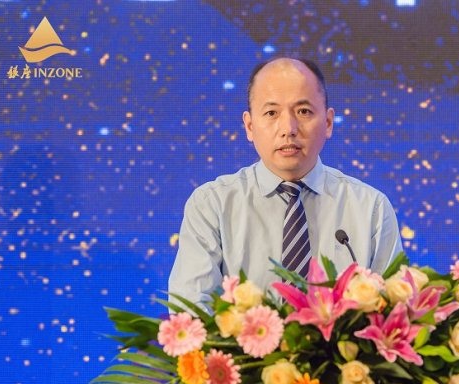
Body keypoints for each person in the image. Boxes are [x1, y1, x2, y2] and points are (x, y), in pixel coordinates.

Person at [168, 57, 402, 308]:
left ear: (328, 122)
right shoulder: (212, 205)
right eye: (271, 113)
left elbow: (395, 312)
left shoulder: (371, 209)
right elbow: (191, 310)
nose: (288, 128)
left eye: (303, 111)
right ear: (249, 126)